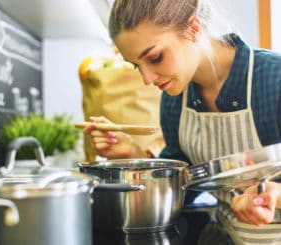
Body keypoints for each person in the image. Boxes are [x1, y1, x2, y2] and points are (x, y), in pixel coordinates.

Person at [83, 0, 281, 244]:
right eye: (137, 65)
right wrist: (136, 156)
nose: (147, 78)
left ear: (193, 28)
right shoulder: (175, 101)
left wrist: (274, 195)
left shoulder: (274, 78)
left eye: (154, 58)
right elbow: (184, 184)